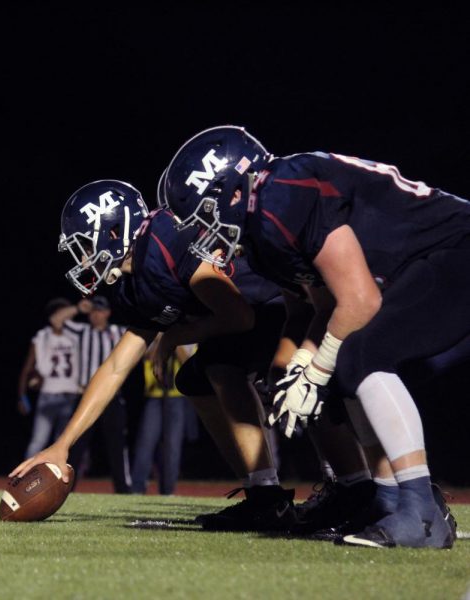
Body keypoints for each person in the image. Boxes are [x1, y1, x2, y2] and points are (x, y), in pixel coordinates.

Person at [158, 125, 462, 549]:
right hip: (421, 264)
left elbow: (359, 301)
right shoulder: (264, 226)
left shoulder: (281, 193)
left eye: (204, 215)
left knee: (360, 356)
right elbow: (321, 307)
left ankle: (420, 508)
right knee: (345, 366)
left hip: (454, 250)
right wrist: (302, 362)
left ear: (231, 191)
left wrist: (316, 368)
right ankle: (389, 498)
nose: (205, 233)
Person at [12, 179, 300, 532]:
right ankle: (262, 492)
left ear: (114, 232)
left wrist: (174, 335)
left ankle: (280, 495)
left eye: (86, 244)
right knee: (195, 378)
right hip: (252, 314)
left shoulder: (165, 236)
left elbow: (239, 315)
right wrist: (62, 446)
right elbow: (117, 366)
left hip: (282, 303)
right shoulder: (133, 284)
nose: (84, 257)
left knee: (220, 367)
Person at [55, 295, 132, 493]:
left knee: (117, 445)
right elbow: (56, 320)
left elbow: (147, 335)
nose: (96, 315)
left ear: (107, 312)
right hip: (84, 395)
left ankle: (123, 489)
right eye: (93, 311)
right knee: (76, 444)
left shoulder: (118, 332)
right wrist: (77, 308)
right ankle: (67, 486)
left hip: (112, 397)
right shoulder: (82, 331)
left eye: (100, 311)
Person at [16, 298, 82, 459]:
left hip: (72, 394)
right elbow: (27, 369)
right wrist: (22, 396)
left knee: (65, 443)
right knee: (39, 440)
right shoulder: (42, 336)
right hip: (48, 394)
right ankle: (25, 479)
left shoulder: (77, 334)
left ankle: (60, 481)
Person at [131, 342, 195, 495]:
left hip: (177, 397)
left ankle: (168, 491)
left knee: (172, 447)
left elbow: (189, 364)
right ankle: (137, 489)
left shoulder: (189, 336)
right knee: (146, 443)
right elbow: (148, 357)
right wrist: (162, 340)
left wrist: (174, 340)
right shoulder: (155, 335)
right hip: (154, 396)